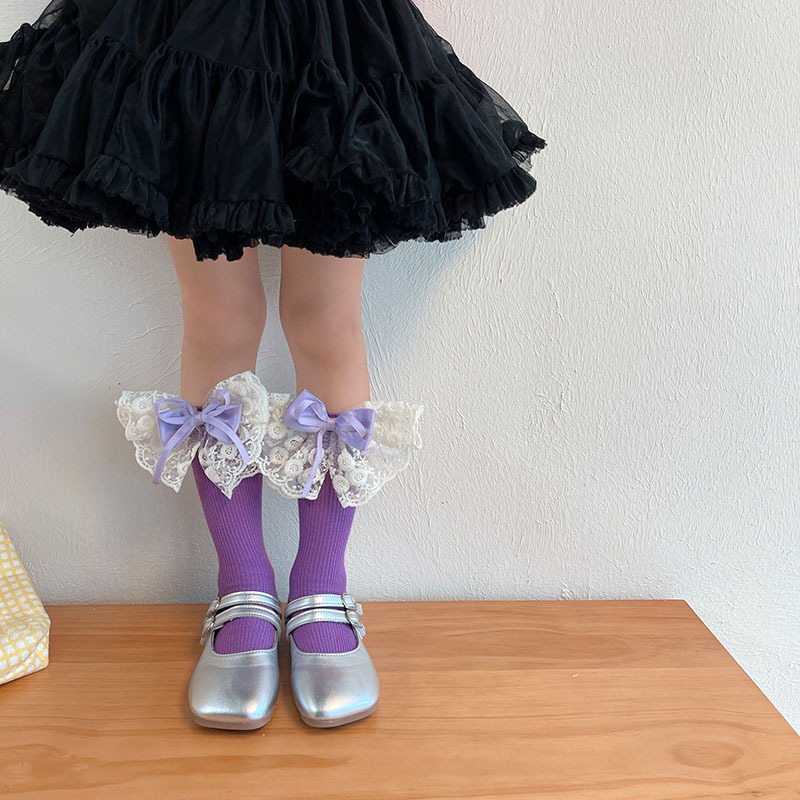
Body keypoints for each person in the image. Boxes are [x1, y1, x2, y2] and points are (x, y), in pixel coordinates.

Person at [0, 0, 546, 730]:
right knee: (219, 321)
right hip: (189, 26)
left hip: (335, 31)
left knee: (325, 324)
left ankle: (322, 583)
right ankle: (243, 586)